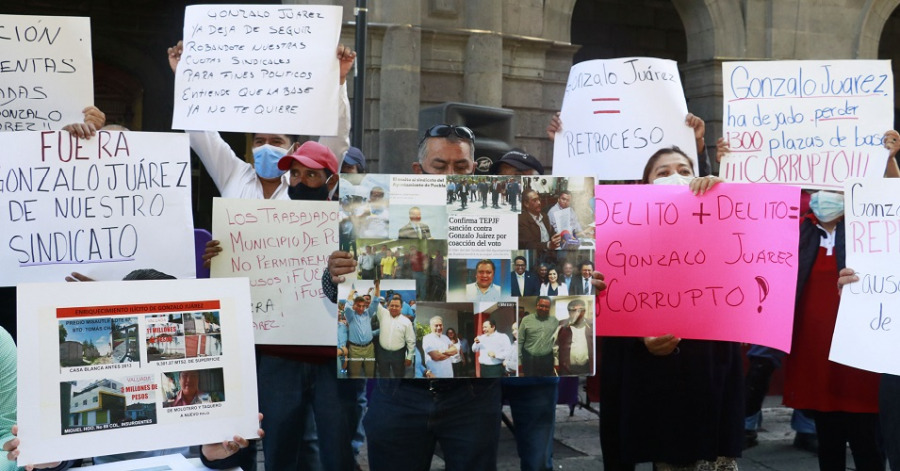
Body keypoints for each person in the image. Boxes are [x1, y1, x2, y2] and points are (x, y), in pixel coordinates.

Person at [323, 123, 606, 471]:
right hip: (397, 392)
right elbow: (346, 290)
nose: (450, 173)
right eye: (439, 166)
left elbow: (535, 279)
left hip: (473, 397)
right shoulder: (378, 219)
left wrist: (583, 280)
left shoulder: (504, 216)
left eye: (461, 166)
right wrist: (334, 274)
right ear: (418, 170)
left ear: (474, 169)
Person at [599, 145, 741, 471]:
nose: (675, 177)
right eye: (662, 173)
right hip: (651, 377)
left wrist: (727, 197)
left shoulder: (722, 220)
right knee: (668, 456)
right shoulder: (623, 232)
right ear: (644, 185)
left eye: (684, 170)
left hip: (708, 369)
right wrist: (641, 336)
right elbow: (616, 296)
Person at [167, 40, 354, 200]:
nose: (266, 147)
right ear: (252, 148)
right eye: (260, 141)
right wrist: (185, 79)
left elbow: (337, 138)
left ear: (294, 148)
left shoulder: (308, 185)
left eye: (276, 141)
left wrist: (338, 81)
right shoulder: (233, 174)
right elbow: (201, 136)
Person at [781, 190, 885, 471]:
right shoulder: (798, 228)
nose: (825, 194)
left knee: (867, 436)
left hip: (860, 353)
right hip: (814, 352)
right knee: (827, 433)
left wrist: (889, 161)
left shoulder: (874, 228)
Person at [518, 296, 559, 377]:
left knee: (546, 382)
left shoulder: (554, 321)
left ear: (549, 308)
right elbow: (520, 340)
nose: (544, 309)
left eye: (546, 307)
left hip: (547, 359)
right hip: (530, 359)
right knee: (530, 383)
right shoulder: (526, 320)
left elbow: (557, 340)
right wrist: (519, 359)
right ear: (536, 305)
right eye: (541, 306)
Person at [342, 289, 378, 378]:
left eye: (363, 306)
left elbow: (376, 301)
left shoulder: (368, 314)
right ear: (354, 305)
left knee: (370, 373)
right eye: (358, 306)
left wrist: (377, 286)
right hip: (355, 350)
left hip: (369, 348)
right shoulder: (350, 316)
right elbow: (347, 307)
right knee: (355, 374)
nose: (361, 308)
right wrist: (351, 293)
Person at [554, 299, 592, 375]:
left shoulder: (591, 326)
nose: (578, 313)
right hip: (567, 370)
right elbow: (554, 348)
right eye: (574, 310)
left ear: (584, 311)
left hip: (587, 369)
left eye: (580, 310)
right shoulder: (561, 326)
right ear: (569, 312)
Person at [519, 189, 561, 256]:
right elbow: (529, 245)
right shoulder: (521, 220)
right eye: (534, 200)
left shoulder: (544, 216)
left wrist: (561, 237)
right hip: (536, 254)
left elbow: (552, 233)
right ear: (526, 204)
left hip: (551, 253)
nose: (539, 203)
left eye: (539, 199)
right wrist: (549, 245)